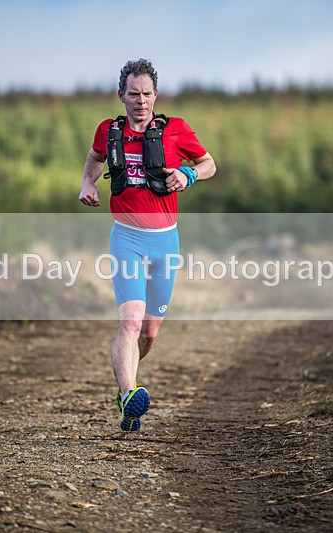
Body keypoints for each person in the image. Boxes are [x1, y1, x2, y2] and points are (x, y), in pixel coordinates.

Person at [79, 59, 216, 432]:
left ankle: (130, 385)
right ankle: (128, 394)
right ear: (120, 95)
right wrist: (87, 183)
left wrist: (187, 174)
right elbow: (94, 159)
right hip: (127, 238)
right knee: (130, 320)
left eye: (147, 94)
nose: (141, 101)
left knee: (150, 331)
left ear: (156, 94)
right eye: (133, 94)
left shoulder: (176, 130)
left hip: (165, 242)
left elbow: (209, 164)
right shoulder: (108, 131)